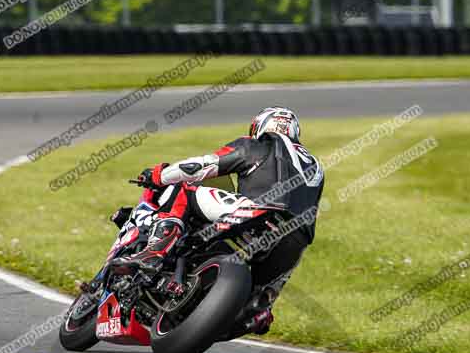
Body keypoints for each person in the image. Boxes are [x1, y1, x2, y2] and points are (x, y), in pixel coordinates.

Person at [110, 106, 325, 335]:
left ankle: (155, 251)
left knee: (185, 189)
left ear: (259, 126)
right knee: (262, 294)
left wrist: (159, 175)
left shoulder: (258, 144)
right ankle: (261, 308)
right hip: (297, 235)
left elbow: (199, 166)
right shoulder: (316, 166)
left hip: (254, 209)